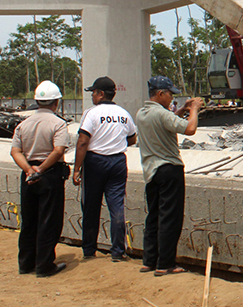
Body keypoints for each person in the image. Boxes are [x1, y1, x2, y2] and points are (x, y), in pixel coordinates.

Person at [134, 76, 203, 276]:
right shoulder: (162, 115)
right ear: (161, 93)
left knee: (153, 216)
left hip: (151, 171)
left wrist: (181, 110)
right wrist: (194, 110)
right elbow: (190, 129)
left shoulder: (142, 113)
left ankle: (150, 260)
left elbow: (167, 119)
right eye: (170, 94)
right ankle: (166, 264)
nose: (171, 98)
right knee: (170, 218)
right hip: (169, 168)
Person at [72, 76, 137, 262]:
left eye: (93, 92)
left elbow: (83, 141)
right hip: (117, 162)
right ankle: (118, 251)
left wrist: (77, 169)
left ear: (101, 94)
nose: (92, 95)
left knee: (91, 207)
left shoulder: (91, 113)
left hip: (95, 162)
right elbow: (132, 139)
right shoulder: (124, 113)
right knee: (117, 206)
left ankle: (89, 250)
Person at [10, 80, 70, 277]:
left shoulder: (23, 124)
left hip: (28, 175)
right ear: (56, 102)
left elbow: (15, 151)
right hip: (50, 174)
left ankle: (26, 263)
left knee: (29, 219)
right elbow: (58, 150)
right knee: (48, 220)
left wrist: (29, 169)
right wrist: (42, 169)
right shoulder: (58, 124)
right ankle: (44, 265)